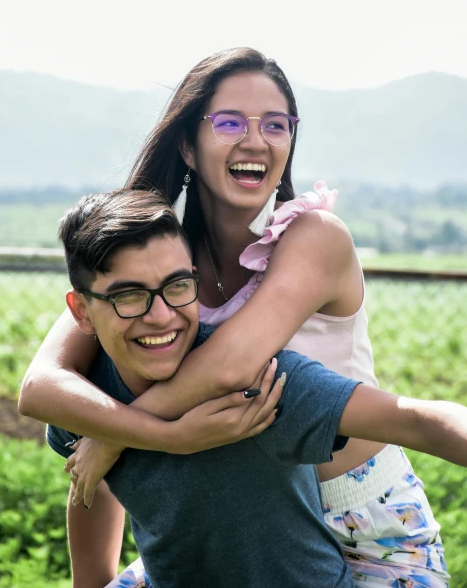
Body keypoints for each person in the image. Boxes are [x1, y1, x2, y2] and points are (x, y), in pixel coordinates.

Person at [19, 47, 449, 586]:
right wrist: (130, 440)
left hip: (367, 524)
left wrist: (116, 436)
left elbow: (232, 365)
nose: (255, 140)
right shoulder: (162, 267)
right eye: (229, 122)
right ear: (188, 146)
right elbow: (43, 386)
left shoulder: (314, 238)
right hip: (243, 523)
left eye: (276, 124)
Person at [47, 187, 467, 588]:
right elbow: (91, 479)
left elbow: (414, 421)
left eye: (177, 287)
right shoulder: (87, 398)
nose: (161, 316)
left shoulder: (256, 389)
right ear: (82, 312)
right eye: (130, 296)